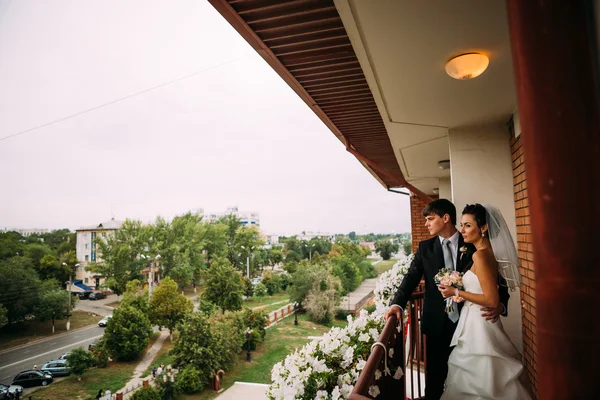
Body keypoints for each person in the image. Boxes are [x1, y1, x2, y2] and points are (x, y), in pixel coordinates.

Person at [385, 199, 510, 399]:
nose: (426, 224)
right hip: (436, 325)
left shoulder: (472, 243)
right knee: (434, 381)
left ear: (445, 218)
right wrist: (397, 303)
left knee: (472, 377)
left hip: (468, 324)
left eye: (430, 219)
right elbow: (411, 278)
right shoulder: (425, 247)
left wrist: (500, 304)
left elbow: (498, 280)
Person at [438, 204, 531, 399]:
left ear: (483, 228)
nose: (462, 230)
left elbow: (491, 298)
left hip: (479, 325)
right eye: (462, 225)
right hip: (477, 320)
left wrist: (456, 291)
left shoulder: (480, 255)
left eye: (468, 225)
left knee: (481, 376)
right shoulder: (487, 252)